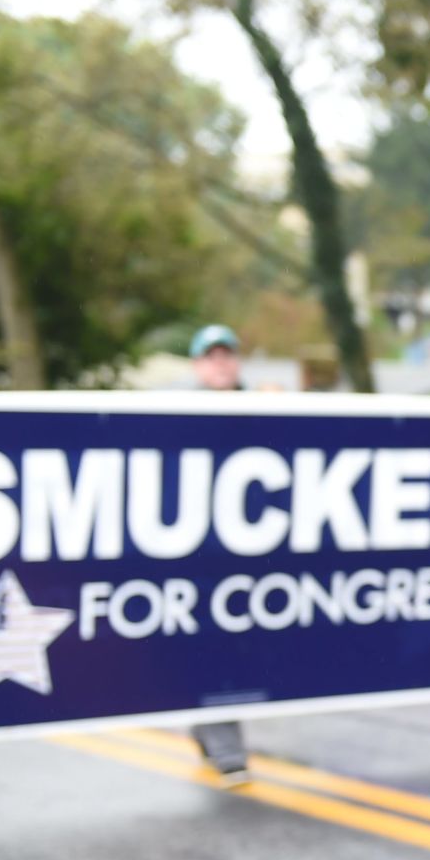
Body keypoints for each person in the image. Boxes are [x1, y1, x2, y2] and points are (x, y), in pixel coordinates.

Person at [187, 323, 250, 787]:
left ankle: (205, 724)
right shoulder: (179, 413)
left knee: (236, 651)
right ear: (197, 366)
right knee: (216, 651)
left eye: (227, 354)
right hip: (198, 559)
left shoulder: (264, 409)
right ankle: (227, 748)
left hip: (251, 560)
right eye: (212, 356)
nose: (221, 363)